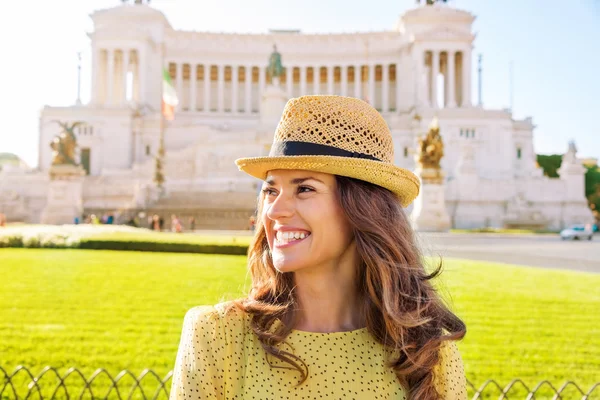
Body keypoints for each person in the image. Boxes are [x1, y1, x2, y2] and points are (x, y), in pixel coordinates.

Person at [170, 95, 467, 399]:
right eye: (271, 190)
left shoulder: (429, 355)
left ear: (363, 208)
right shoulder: (215, 337)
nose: (274, 211)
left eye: (305, 189)